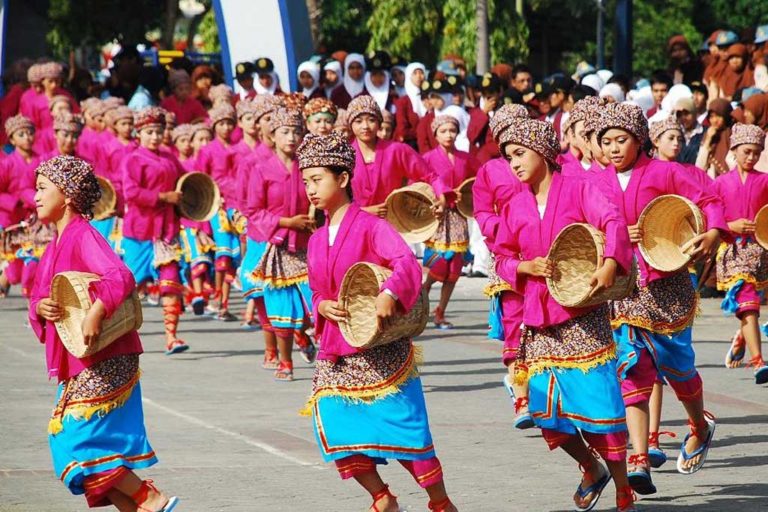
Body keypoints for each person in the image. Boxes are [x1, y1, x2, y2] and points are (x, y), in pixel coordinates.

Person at [300, 132, 458, 512]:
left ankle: (440, 502)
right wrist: (321, 306)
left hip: (380, 349)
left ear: (341, 179)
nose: (310, 189)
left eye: (317, 179)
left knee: (406, 432)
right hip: (337, 349)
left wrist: (389, 292)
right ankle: (381, 496)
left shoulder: (372, 227)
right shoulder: (316, 239)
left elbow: (405, 262)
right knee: (334, 424)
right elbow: (318, 290)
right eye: (305, 181)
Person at [494, 117, 636, 512]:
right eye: (508, 158)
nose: (514, 164)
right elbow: (501, 257)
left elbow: (612, 221)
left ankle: (624, 489)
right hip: (539, 322)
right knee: (544, 412)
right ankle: (591, 467)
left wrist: (610, 262)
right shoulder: (514, 204)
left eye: (519, 154)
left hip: (582, 315)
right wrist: (524, 268)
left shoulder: (579, 188)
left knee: (600, 410)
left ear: (542, 152)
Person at [28, 155, 178, 511]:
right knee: (90, 452)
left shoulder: (83, 235)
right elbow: (38, 294)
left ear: (66, 195)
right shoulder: (54, 246)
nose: (34, 196)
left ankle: (149, 496)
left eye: (42, 189)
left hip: (105, 356)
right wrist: (40, 308)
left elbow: (120, 276)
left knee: (74, 440)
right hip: (80, 359)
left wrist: (96, 310)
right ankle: (142, 507)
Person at [591, 102, 724, 493]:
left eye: (621, 139)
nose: (614, 148)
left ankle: (699, 425)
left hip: (668, 288)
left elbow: (710, 201)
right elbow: (582, 224)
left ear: (640, 140)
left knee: (678, 368)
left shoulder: (666, 172)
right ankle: (638, 456)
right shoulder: (594, 182)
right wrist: (611, 237)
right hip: (624, 292)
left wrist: (714, 233)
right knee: (632, 368)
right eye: (606, 141)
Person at [247, 108, 317, 381]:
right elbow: (254, 210)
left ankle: (309, 337)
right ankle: (285, 361)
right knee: (280, 306)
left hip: (305, 244)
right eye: (285, 132)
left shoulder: (309, 168)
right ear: (272, 136)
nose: (291, 137)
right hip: (276, 245)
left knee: (316, 300)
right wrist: (286, 222)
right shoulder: (260, 169)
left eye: (296, 131)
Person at [121, 106, 188, 355]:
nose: (155, 136)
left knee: (171, 282)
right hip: (139, 231)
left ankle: (171, 337)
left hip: (167, 231)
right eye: (149, 132)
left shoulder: (170, 157)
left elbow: (185, 182)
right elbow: (131, 193)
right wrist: (162, 196)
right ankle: (119, 333)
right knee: (131, 286)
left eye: (159, 131)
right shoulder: (133, 159)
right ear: (139, 133)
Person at [712, 123, 768, 384]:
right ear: (734, 150)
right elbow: (710, 216)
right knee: (748, 303)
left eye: (757, 152)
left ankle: (744, 334)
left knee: (750, 306)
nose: (751, 157)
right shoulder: (720, 183)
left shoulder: (764, 180)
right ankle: (758, 362)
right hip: (732, 251)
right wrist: (729, 225)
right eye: (747, 151)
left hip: (759, 251)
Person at [346, 95, 450, 218]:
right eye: (358, 121)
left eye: (371, 120)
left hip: (393, 224)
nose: (365, 126)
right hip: (354, 226)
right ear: (351, 125)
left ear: (379, 123)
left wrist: (442, 198)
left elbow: (431, 176)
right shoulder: (343, 156)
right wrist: (364, 211)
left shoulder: (396, 150)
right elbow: (333, 199)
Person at [422, 115, 479, 328]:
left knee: (454, 269)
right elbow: (418, 185)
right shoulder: (427, 158)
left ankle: (440, 312)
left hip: (458, 217)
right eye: (443, 131)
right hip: (438, 218)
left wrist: (467, 194)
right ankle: (421, 297)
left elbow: (480, 179)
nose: (448, 134)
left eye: (452, 130)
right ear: (435, 134)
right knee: (438, 265)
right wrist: (439, 197)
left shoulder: (466, 158)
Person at [196, 103, 240, 321]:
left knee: (234, 253)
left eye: (229, 123)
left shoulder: (238, 148)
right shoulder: (207, 150)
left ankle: (223, 301)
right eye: (221, 123)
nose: (226, 128)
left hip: (237, 204)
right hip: (217, 206)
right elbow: (200, 181)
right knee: (223, 253)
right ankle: (218, 298)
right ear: (214, 126)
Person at [0, 115, 40, 297]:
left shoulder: (42, 160)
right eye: (21, 134)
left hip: (36, 219)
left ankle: (32, 296)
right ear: (12, 139)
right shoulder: (6, 164)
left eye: (30, 132)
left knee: (32, 260)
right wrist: (14, 202)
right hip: (12, 220)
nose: (27, 137)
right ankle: (8, 279)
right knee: (14, 271)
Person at [695, 98, 734, 178]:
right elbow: (699, 167)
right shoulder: (708, 134)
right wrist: (708, 140)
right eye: (711, 116)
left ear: (726, 115)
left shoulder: (733, 135)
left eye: (719, 116)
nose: (714, 120)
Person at [394, 62, 426, 148]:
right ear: (409, 76)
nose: (419, 76)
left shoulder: (428, 99)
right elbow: (402, 130)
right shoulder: (403, 101)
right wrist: (423, 132)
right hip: (410, 146)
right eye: (415, 73)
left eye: (421, 73)